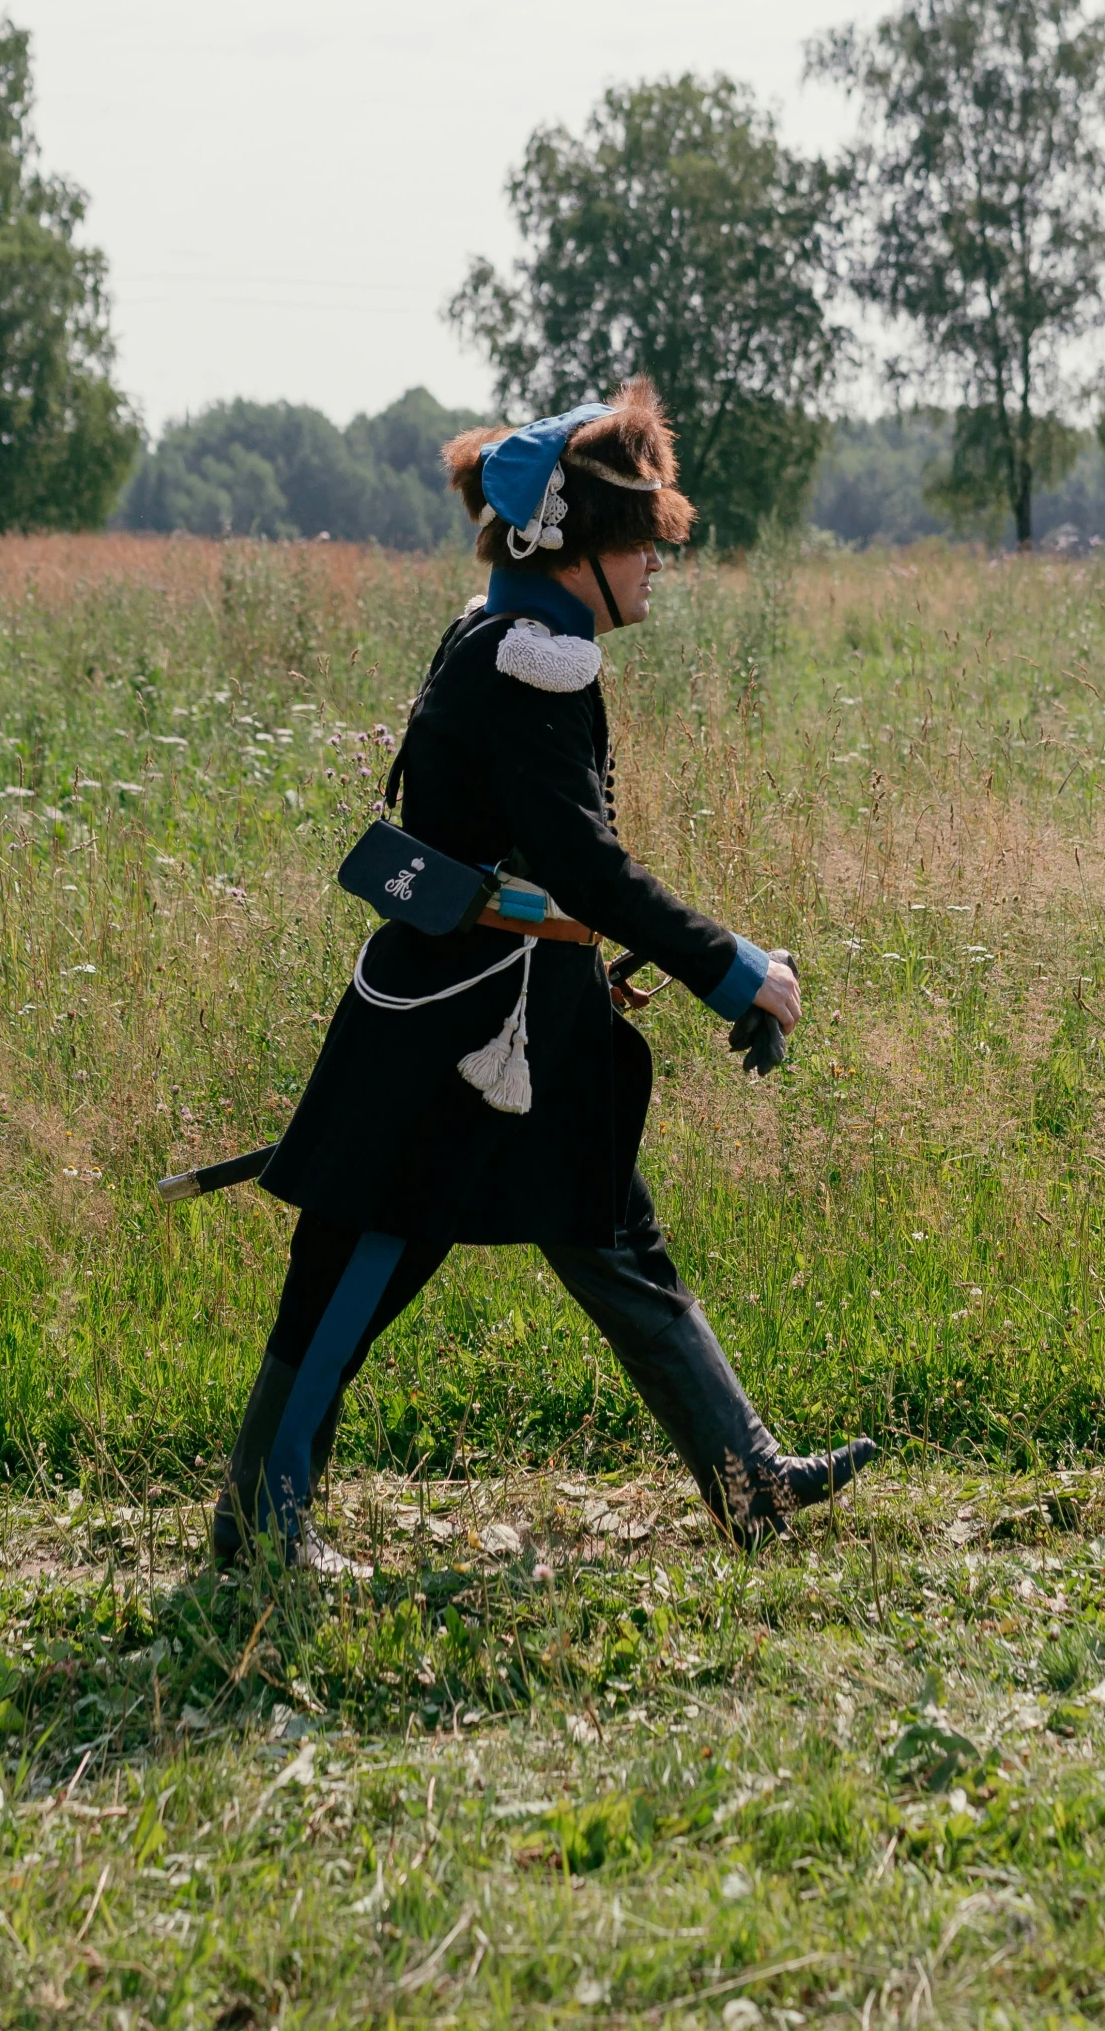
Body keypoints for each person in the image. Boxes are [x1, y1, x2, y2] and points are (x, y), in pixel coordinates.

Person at [213, 381, 876, 1571]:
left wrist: (587, 947)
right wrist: (734, 969)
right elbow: (585, 862)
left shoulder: (506, 636)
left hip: (520, 1010)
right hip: (459, 1035)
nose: (657, 564)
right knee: (358, 1258)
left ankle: (749, 1478)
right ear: (578, 547)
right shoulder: (533, 662)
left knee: (613, 1231)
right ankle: (258, 1527)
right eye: (641, 541)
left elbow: (525, 860)